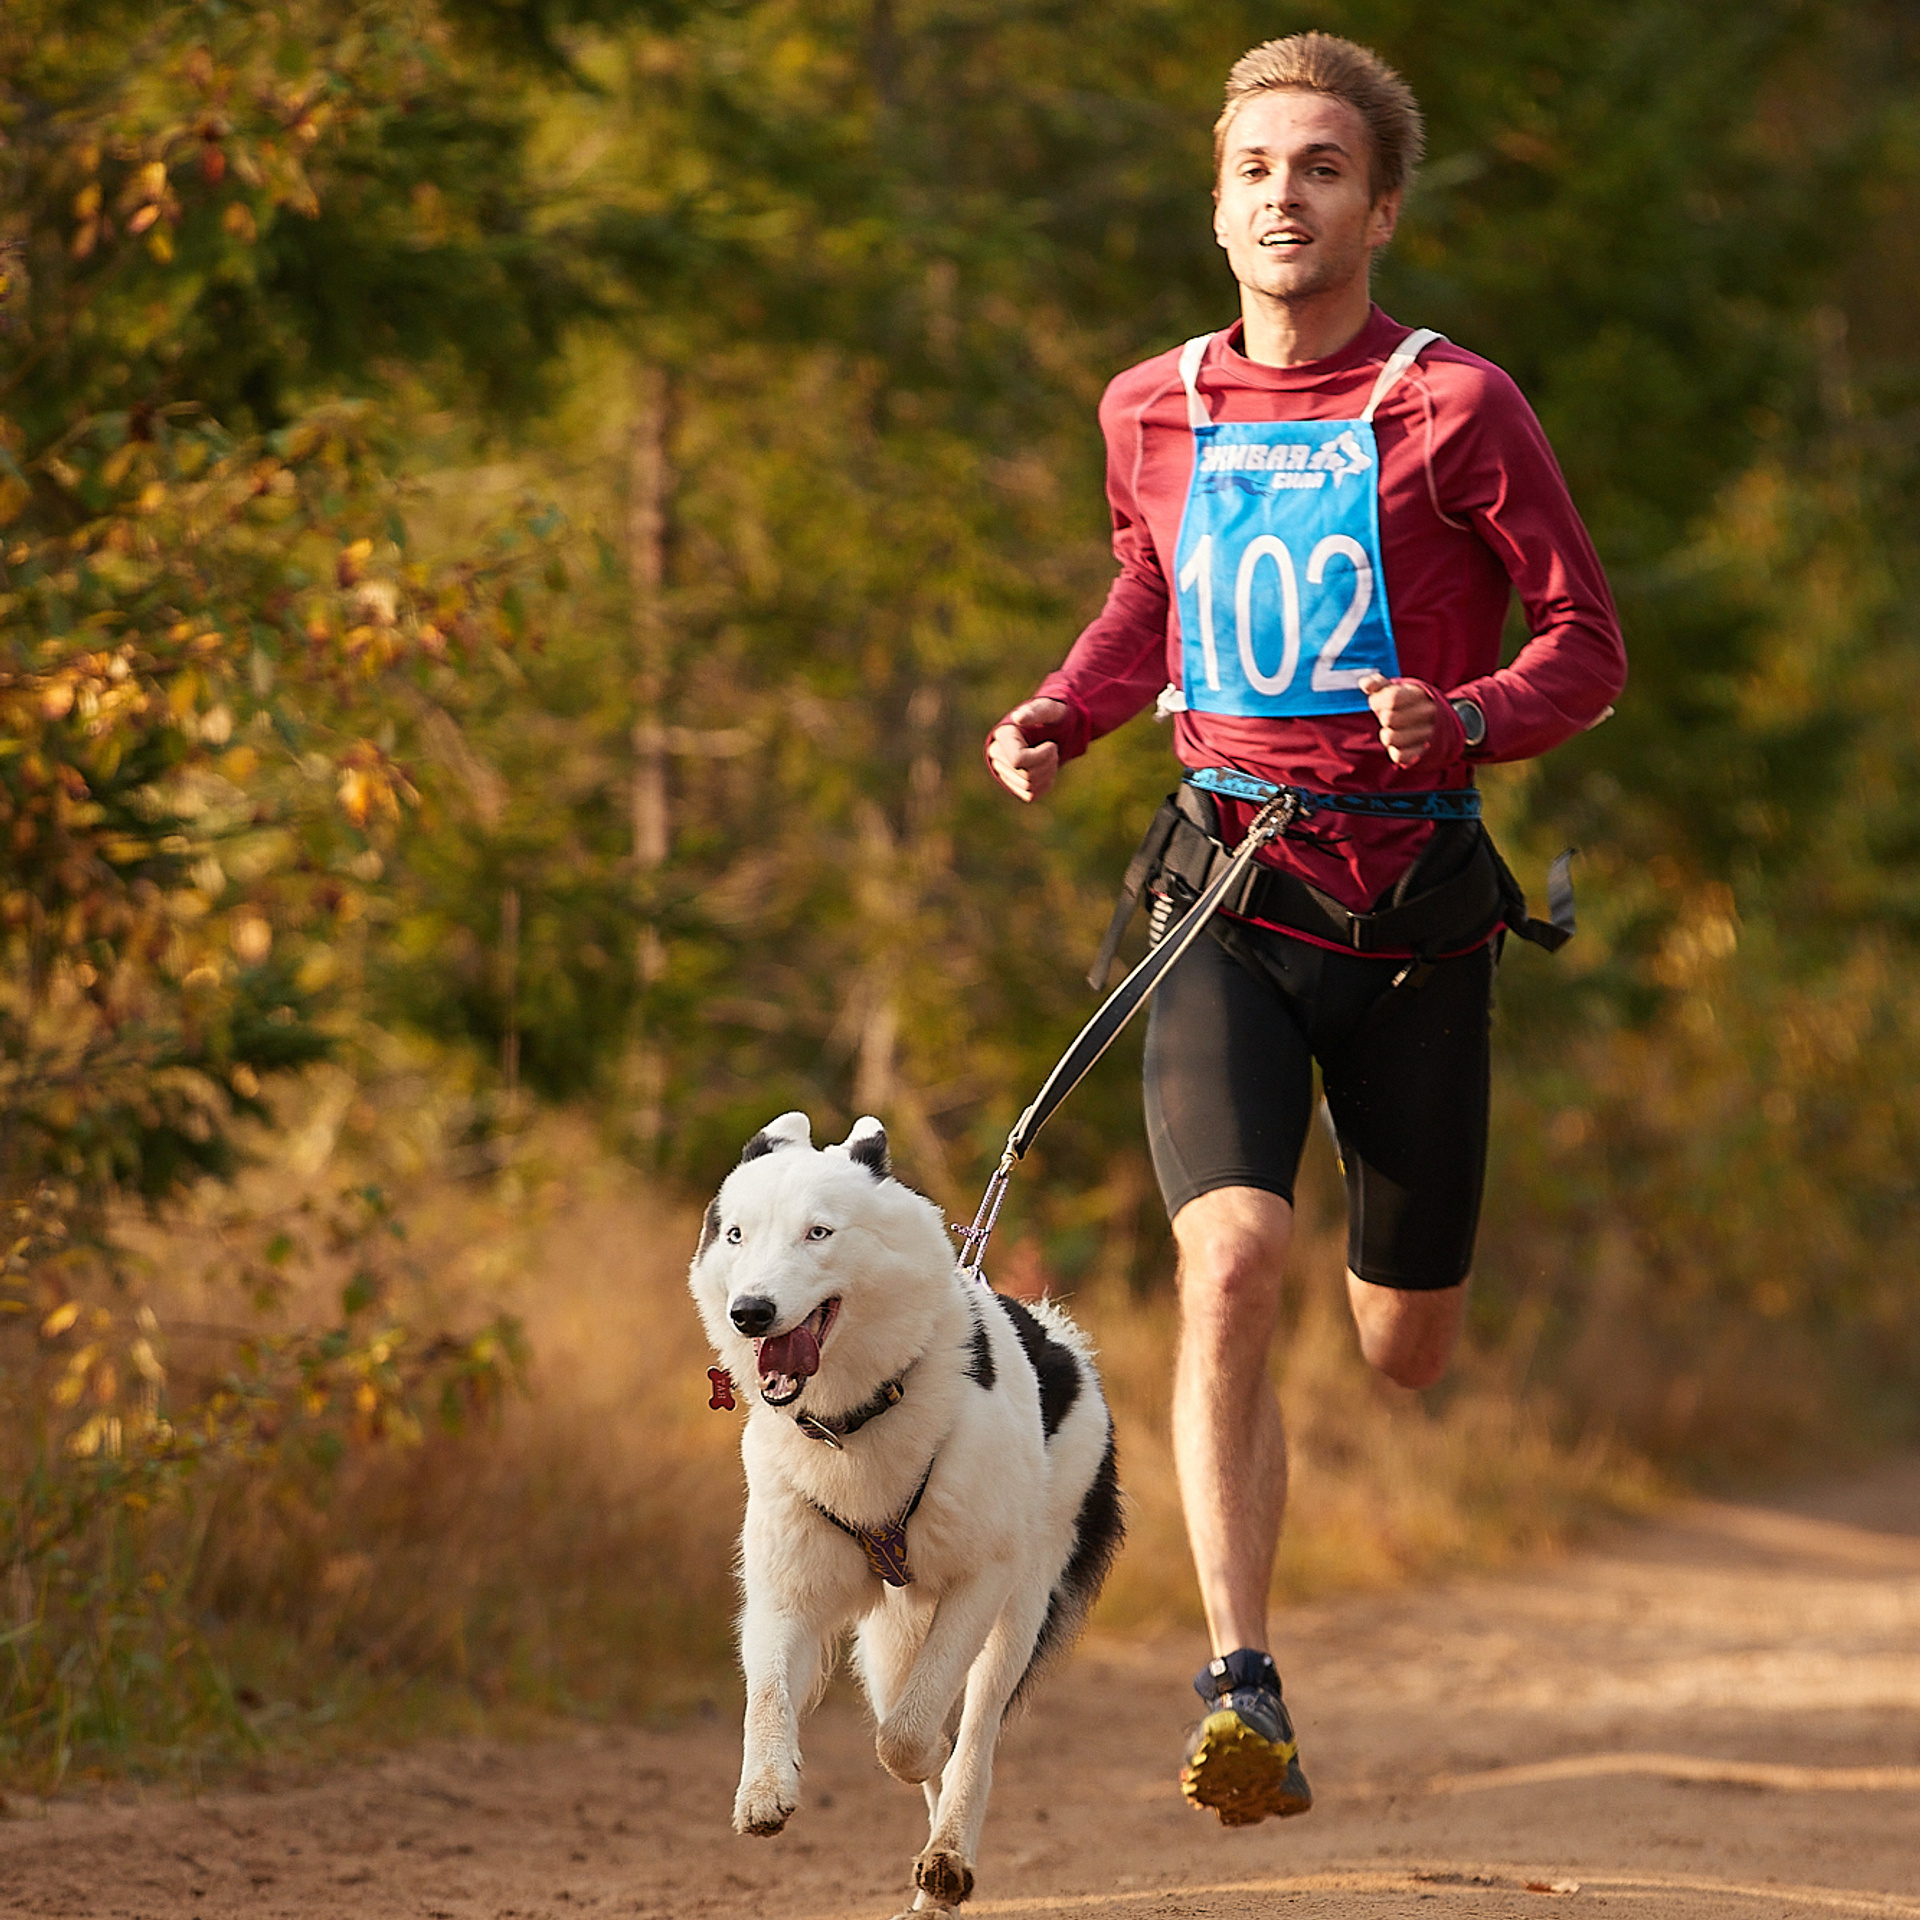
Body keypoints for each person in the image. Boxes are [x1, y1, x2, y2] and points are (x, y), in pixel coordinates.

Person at [986, 32, 1625, 1827]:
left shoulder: (1458, 405)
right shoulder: (1151, 404)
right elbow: (1147, 590)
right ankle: (1241, 1680)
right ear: (1216, 204)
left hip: (1416, 916)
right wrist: (1063, 714)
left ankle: (1398, 1298)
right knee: (1233, 1256)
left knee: (1402, 1347)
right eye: (1257, 166)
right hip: (1227, 899)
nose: (1287, 192)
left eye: (1322, 167)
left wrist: (1476, 714)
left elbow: (1588, 641)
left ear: (1380, 206)